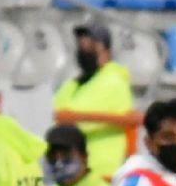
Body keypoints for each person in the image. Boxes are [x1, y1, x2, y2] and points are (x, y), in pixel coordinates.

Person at [54, 23, 133, 177]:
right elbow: (52, 113)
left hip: (101, 171)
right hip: (74, 169)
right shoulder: (74, 83)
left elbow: (75, 121)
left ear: (106, 50)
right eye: (81, 43)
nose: (83, 47)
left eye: (90, 43)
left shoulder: (114, 82)